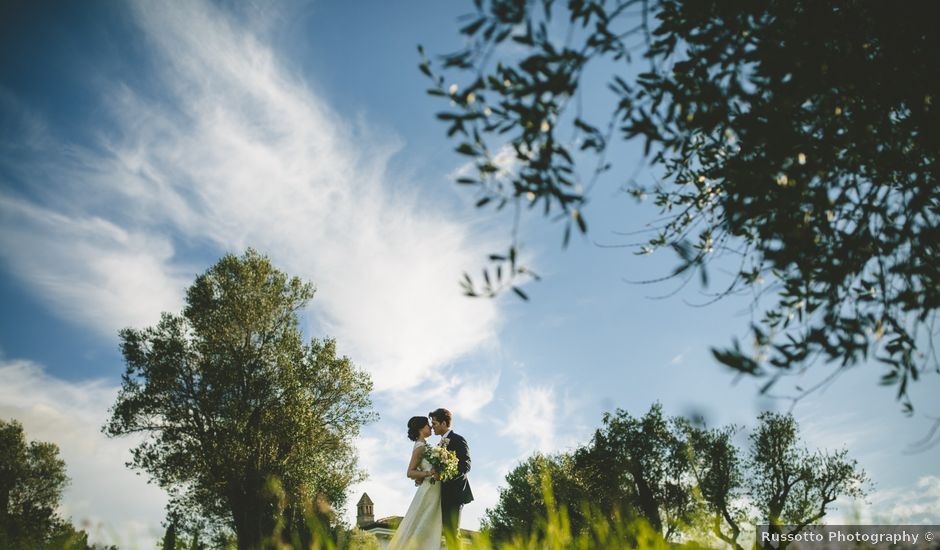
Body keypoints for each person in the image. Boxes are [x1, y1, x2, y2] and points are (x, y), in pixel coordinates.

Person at [387, 416, 442, 550]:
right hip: (429, 489)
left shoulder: (426, 446)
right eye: (427, 425)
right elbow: (410, 472)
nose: (430, 427)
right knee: (421, 523)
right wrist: (429, 473)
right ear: (420, 428)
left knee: (429, 524)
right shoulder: (420, 447)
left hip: (435, 488)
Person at [429, 408, 473, 549]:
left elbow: (465, 466)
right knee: (445, 532)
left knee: (452, 531)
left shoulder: (458, 439)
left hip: (455, 492)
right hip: (441, 494)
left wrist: (446, 474)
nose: (432, 427)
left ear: (443, 423)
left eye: (434, 423)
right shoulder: (438, 446)